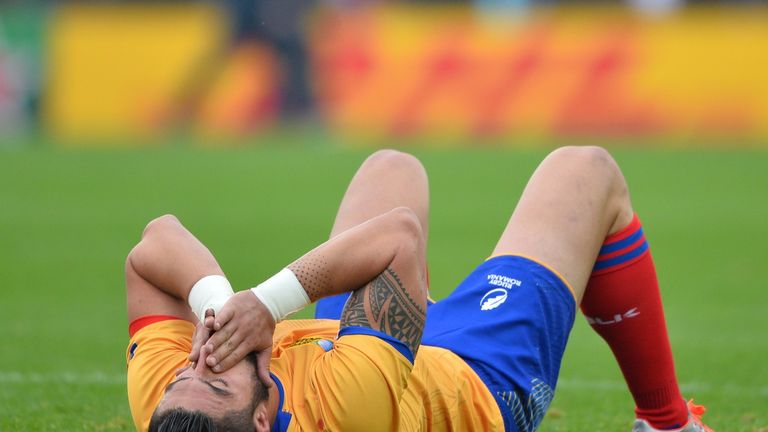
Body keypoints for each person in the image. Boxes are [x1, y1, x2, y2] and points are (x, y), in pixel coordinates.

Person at [125, 147, 714, 432]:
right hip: (476, 381)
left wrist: (216, 307)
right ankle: (666, 422)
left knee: (389, 168)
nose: (203, 356)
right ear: (262, 420)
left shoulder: (171, 408)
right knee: (587, 171)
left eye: (188, 370)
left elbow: (156, 242)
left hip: (357, 343)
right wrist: (264, 304)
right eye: (219, 374)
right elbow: (398, 239)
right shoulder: (340, 413)